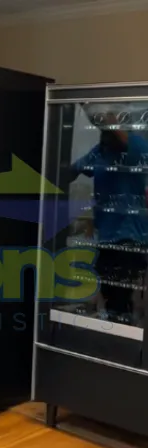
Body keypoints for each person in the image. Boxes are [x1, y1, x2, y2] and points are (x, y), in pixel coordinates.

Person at [71, 113, 148, 323]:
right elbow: (72, 170)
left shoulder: (136, 146)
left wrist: (95, 110)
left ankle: (123, 330)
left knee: (120, 301)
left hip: (130, 239)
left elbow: (116, 132)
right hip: (107, 237)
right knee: (108, 294)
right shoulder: (101, 150)